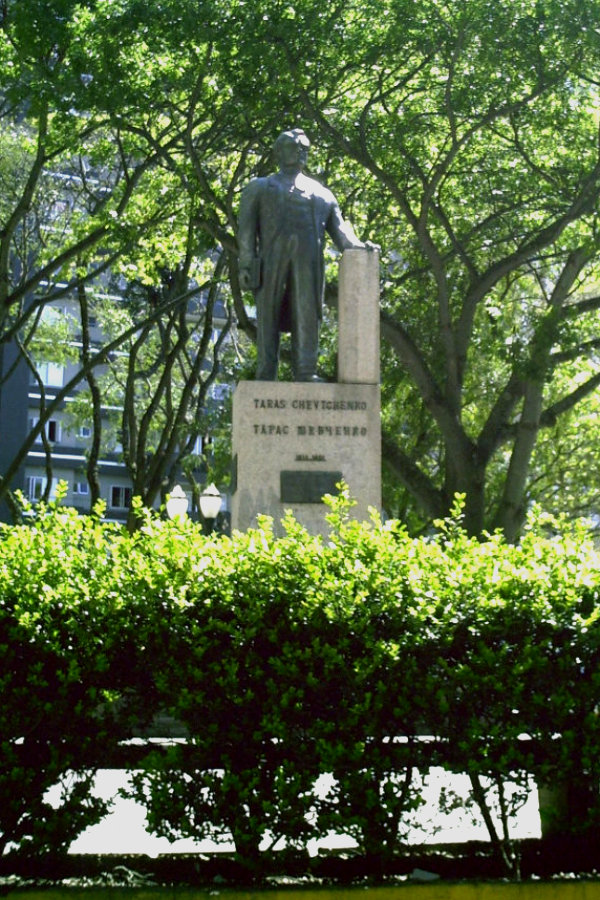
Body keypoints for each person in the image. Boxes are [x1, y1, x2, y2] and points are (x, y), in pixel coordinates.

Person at [238, 128, 375, 381]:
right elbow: (245, 231)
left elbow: (341, 232)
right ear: (279, 152)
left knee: (308, 311)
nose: (300, 151)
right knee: (268, 313)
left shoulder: (322, 194)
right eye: (294, 146)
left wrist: (359, 246)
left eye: (304, 148)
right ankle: (266, 370)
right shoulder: (259, 188)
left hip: (308, 262)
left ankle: (305, 370)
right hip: (271, 259)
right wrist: (246, 265)